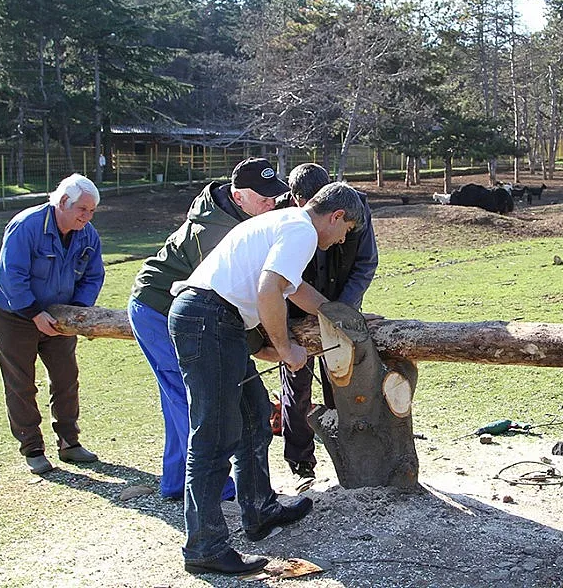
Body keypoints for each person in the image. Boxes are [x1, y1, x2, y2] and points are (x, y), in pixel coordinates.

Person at [168, 182, 364, 576]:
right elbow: (268, 290)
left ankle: (259, 509)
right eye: (346, 230)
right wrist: (286, 349)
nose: (343, 239)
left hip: (214, 319)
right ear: (336, 216)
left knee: (256, 416)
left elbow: (296, 290)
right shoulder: (302, 231)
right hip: (209, 320)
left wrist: (341, 316)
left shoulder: (286, 224)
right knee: (214, 435)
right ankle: (204, 545)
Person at [128, 157, 290, 501]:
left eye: (273, 197)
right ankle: (213, 487)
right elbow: (222, 300)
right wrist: (259, 346)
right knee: (194, 400)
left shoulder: (245, 215)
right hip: (158, 309)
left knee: (179, 399)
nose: (270, 205)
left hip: (177, 308)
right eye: (262, 199)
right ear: (237, 195)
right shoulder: (215, 232)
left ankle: (175, 482)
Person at [0, 174, 105, 475]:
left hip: (60, 317)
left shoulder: (88, 234)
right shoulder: (26, 226)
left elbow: (93, 275)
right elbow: (11, 277)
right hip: (16, 315)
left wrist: (75, 312)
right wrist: (34, 314)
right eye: (83, 209)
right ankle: (32, 449)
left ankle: (70, 442)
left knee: (66, 378)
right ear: (63, 202)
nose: (87, 216)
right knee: (21, 383)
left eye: (92, 211)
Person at [279, 163, 378, 482]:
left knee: (344, 383)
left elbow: (365, 263)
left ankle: (352, 460)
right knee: (296, 386)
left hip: (340, 302)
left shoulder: (354, 207)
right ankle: (301, 465)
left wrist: (342, 311)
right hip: (293, 307)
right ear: (295, 198)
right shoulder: (280, 213)